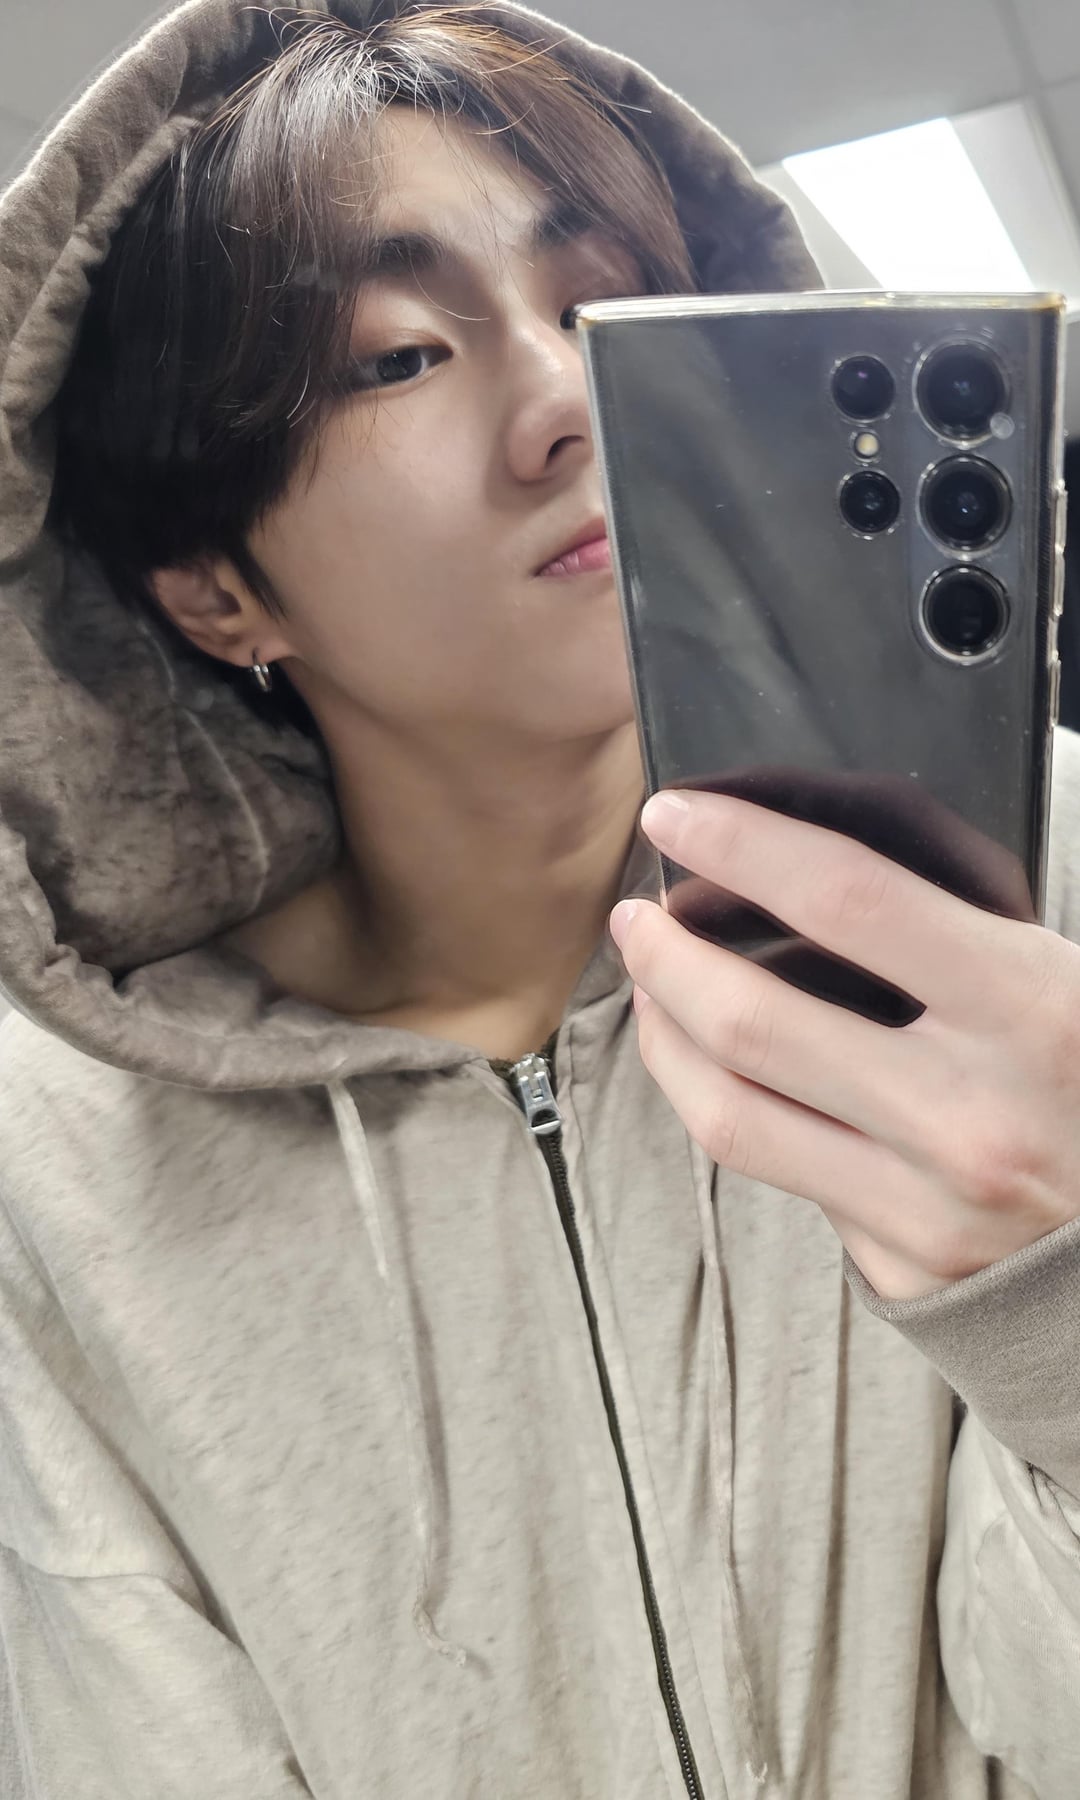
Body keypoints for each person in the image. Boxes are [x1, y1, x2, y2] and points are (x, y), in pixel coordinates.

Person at [1, 3, 1079, 1797]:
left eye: (609, 311)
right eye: (397, 356)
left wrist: (1053, 1304)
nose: (570, 400)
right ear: (214, 592)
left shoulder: (999, 912)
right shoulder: (65, 1163)